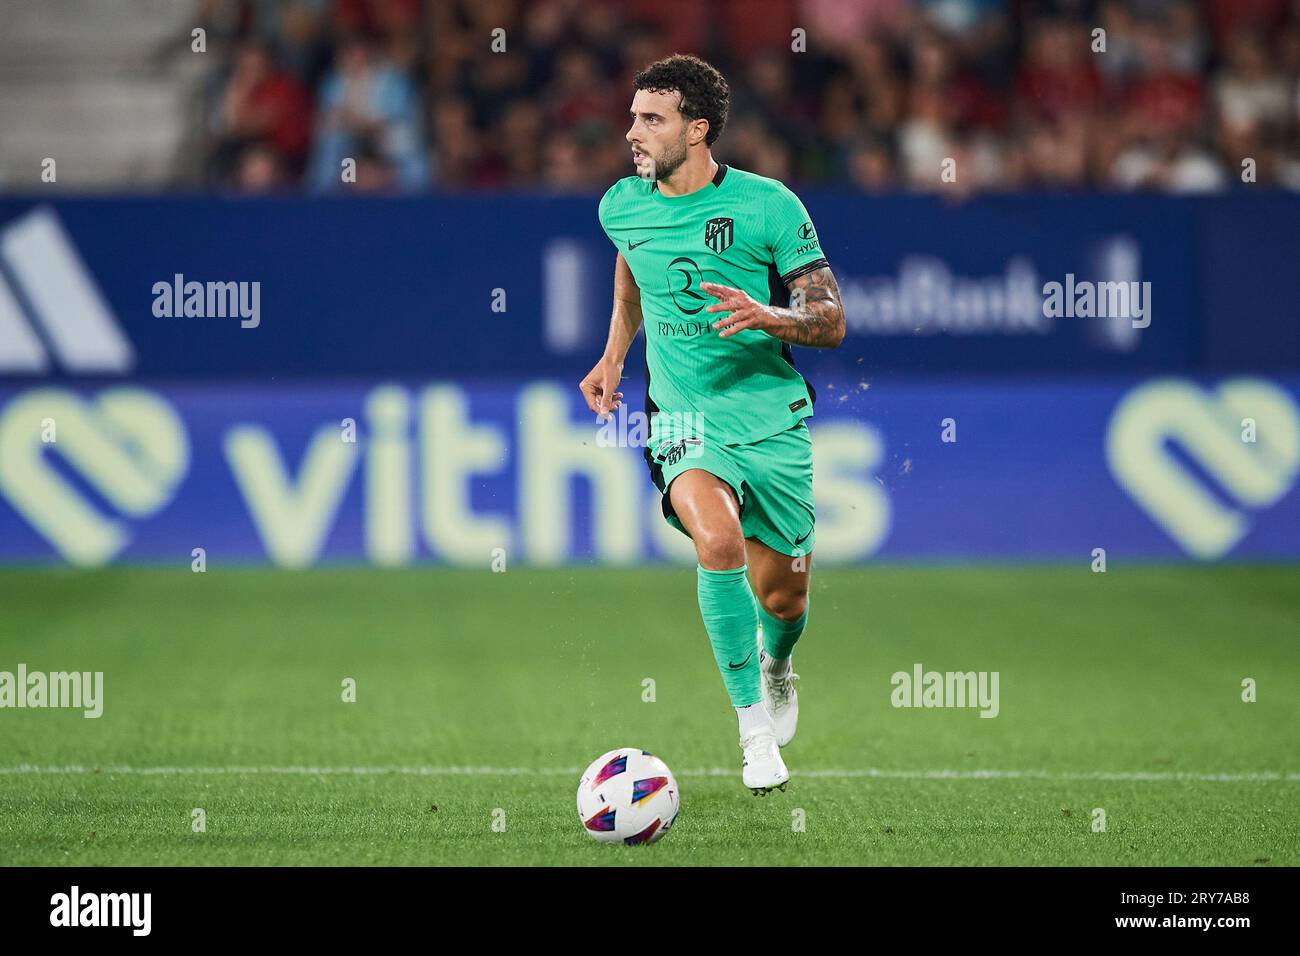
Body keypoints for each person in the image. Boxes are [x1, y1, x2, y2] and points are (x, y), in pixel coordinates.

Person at [580, 54, 845, 794]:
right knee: (718, 540)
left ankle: (778, 664)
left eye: (650, 119)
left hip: (770, 415)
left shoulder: (771, 207)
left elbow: (831, 321)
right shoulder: (620, 206)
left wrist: (770, 316)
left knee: (785, 599)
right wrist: (613, 357)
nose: (632, 131)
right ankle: (753, 730)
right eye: (633, 116)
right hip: (683, 416)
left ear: (697, 131)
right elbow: (633, 274)